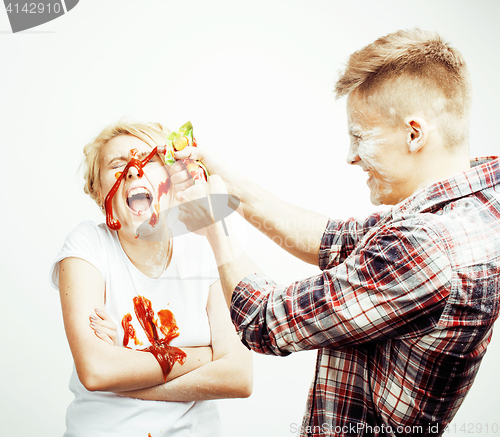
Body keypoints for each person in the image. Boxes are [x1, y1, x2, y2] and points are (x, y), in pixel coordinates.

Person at [170, 29, 500, 436]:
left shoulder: (428, 246)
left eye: (360, 136)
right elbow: (334, 240)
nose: (351, 156)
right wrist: (229, 184)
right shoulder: (477, 203)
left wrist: (215, 228)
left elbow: (263, 320)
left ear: (415, 133)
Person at [50, 120, 252, 437]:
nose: (132, 170)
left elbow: (239, 376)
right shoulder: (88, 244)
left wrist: (128, 378)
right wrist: (206, 355)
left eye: (148, 161)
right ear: (98, 191)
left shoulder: (203, 247)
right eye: (117, 165)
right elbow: (97, 370)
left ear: (172, 179)